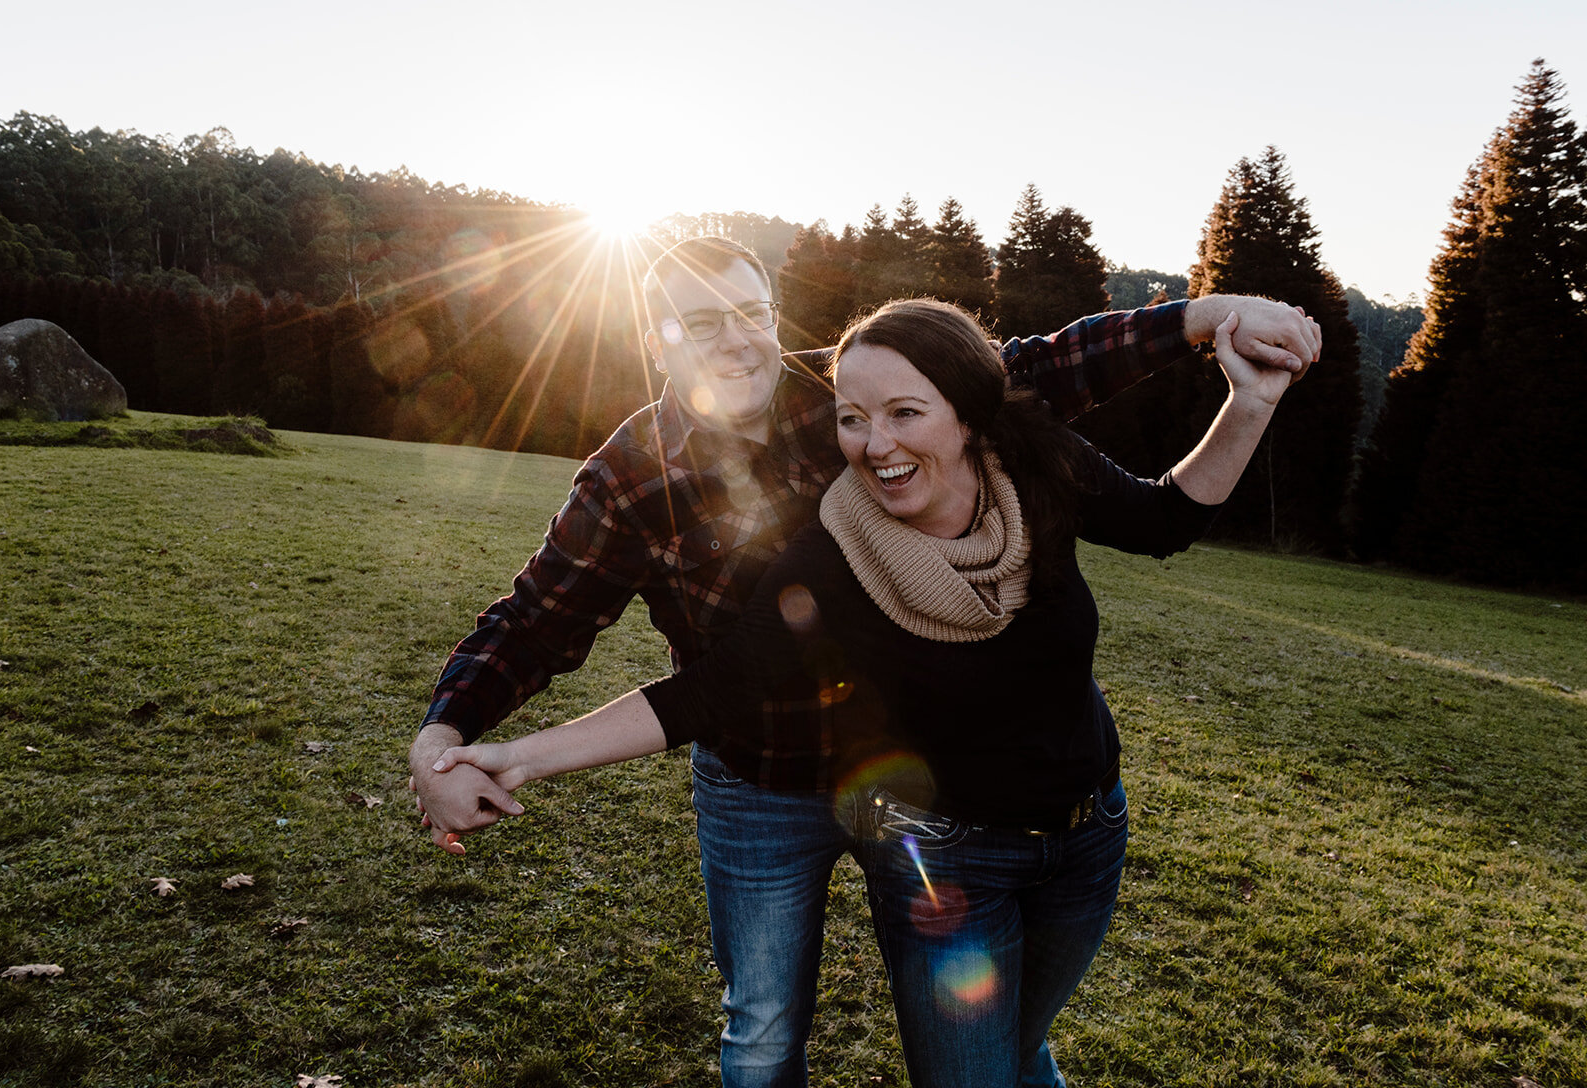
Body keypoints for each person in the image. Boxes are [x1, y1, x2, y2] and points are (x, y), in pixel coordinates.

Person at [410, 236, 1322, 1086]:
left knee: (1002, 1037)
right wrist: (450, 735)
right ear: (656, 344)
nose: (739, 341)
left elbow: (1036, 369)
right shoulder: (632, 479)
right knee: (764, 1024)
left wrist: (1205, 319)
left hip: (912, 782)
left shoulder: (848, 398)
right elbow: (544, 623)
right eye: (702, 323)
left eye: (754, 313)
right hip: (760, 781)